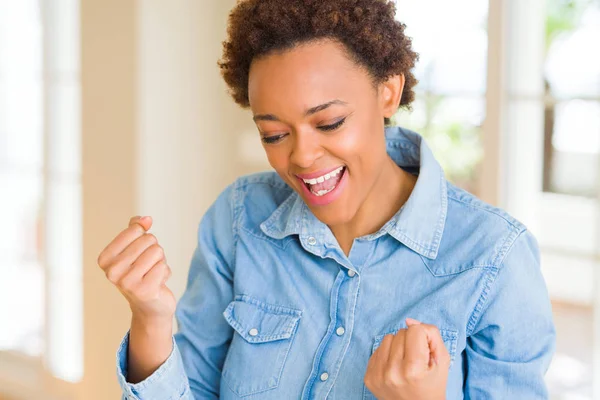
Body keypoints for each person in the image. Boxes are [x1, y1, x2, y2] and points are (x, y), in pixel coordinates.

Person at [97, 0, 556, 398]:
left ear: (387, 93)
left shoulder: (494, 259)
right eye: (274, 133)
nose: (302, 156)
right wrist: (152, 320)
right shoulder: (239, 220)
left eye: (330, 122)